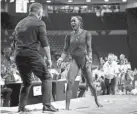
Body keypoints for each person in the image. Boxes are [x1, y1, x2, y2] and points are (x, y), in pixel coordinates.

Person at [13, 3, 58, 112]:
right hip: (31, 54)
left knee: (26, 82)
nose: (42, 14)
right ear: (39, 12)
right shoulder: (39, 23)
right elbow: (45, 43)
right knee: (46, 77)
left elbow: (14, 42)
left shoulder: (19, 23)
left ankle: (21, 108)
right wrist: (49, 58)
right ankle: (47, 105)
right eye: (42, 12)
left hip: (18, 55)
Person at [57, 16, 102, 110]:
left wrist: (89, 59)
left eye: (74, 21)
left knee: (90, 84)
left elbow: (89, 48)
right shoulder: (69, 35)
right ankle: (67, 108)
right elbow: (65, 50)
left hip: (85, 61)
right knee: (69, 82)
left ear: (80, 22)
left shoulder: (87, 34)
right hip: (74, 61)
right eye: (71, 21)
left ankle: (97, 101)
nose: (72, 23)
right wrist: (61, 59)